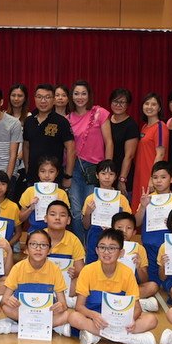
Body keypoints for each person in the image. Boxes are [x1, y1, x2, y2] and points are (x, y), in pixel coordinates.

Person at [68, 228, 158, 344]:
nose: (106, 252)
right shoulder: (87, 270)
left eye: (112, 248)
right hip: (96, 320)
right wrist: (93, 315)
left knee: (152, 320)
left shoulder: (127, 273)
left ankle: (96, 336)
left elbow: (137, 308)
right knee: (73, 317)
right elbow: (79, 306)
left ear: (121, 253)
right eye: (102, 247)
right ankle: (129, 339)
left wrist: (131, 320)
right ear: (97, 250)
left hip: (119, 320)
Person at [0, 230, 72, 337]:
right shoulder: (17, 268)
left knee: (66, 314)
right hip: (22, 311)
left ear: (49, 250)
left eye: (43, 245)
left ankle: (15, 328)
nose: (38, 248)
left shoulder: (55, 270)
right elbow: (3, 301)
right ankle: (50, 327)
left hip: (45, 313)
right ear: (26, 250)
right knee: (7, 308)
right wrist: (8, 300)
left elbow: (64, 304)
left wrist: (61, 306)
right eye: (33, 244)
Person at [68, 80, 112, 241]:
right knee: (75, 210)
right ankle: (80, 246)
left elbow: (109, 142)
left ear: (89, 95)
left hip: (95, 168)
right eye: (76, 93)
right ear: (71, 96)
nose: (80, 97)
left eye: (83, 93)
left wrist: (108, 169)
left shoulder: (99, 113)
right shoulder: (68, 118)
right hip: (74, 168)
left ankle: (92, 245)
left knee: (91, 209)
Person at [133, 161, 172, 286]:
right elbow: (137, 223)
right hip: (149, 248)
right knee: (151, 282)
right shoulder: (147, 198)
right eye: (155, 177)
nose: (159, 181)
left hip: (168, 249)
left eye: (163, 177)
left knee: (167, 283)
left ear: (171, 179)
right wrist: (143, 206)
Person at [22, 84, 75, 190]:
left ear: (54, 100)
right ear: (34, 98)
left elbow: (71, 149)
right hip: (33, 177)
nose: (43, 101)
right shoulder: (29, 121)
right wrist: (27, 169)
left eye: (47, 97)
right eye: (39, 97)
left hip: (54, 178)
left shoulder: (61, 121)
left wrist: (68, 176)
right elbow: (26, 146)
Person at [81, 159, 130, 263]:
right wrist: (88, 212)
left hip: (115, 237)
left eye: (111, 174)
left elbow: (129, 224)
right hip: (94, 237)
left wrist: (114, 227)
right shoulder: (90, 198)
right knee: (92, 266)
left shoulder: (122, 199)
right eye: (103, 173)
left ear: (115, 176)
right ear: (97, 175)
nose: (107, 177)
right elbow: (85, 226)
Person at [110, 211, 161, 311]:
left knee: (153, 286)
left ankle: (122, 301)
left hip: (131, 287)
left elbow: (144, 280)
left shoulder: (139, 249)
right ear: (112, 229)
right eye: (119, 227)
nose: (124, 231)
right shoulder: (107, 246)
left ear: (134, 232)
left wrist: (138, 267)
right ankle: (138, 303)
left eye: (129, 228)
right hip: (110, 285)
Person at [130, 93, 168, 212]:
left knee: (150, 212)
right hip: (140, 175)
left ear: (159, 108)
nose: (149, 107)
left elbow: (160, 154)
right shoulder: (144, 127)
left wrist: (152, 179)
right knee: (138, 210)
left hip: (150, 177)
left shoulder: (160, 127)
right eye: (147, 103)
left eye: (153, 104)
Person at [18, 156, 70, 233]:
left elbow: (66, 218)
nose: (47, 175)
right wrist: (30, 208)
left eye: (51, 172)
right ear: (38, 173)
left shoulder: (61, 193)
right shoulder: (30, 191)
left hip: (56, 232)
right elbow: (21, 218)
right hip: (35, 231)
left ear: (57, 173)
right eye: (43, 171)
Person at [106, 88, 139, 199]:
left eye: (122, 102)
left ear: (128, 105)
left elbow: (129, 156)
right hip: (107, 172)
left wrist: (122, 179)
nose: (118, 105)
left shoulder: (131, 125)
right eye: (115, 101)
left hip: (123, 173)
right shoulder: (106, 121)